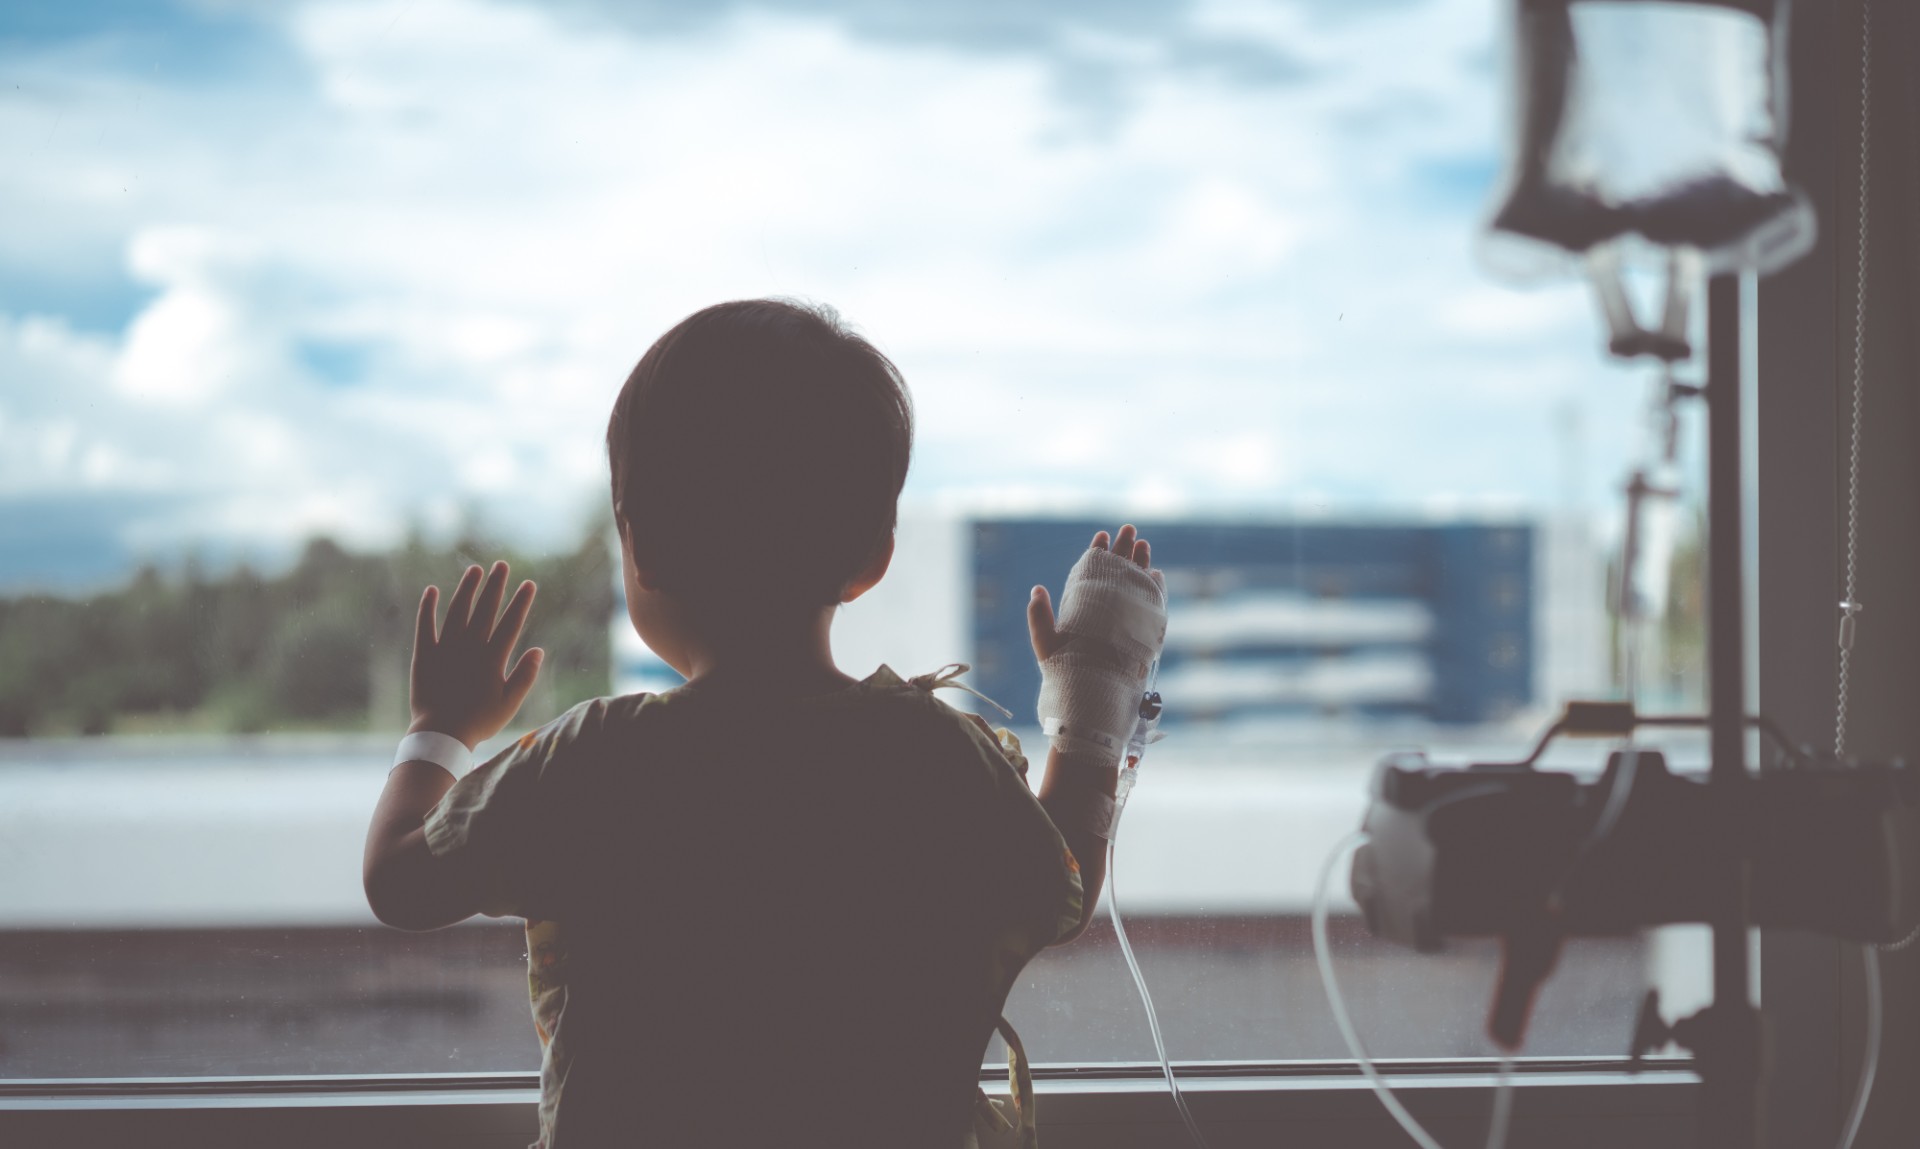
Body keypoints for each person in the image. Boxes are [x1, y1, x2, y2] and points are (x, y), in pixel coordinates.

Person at [361, 298, 1164, 1148]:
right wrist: (1093, 695)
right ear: (874, 556)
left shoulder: (593, 763)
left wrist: (440, 727)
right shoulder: (936, 759)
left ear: (639, 544)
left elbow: (399, 880)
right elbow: (1059, 880)